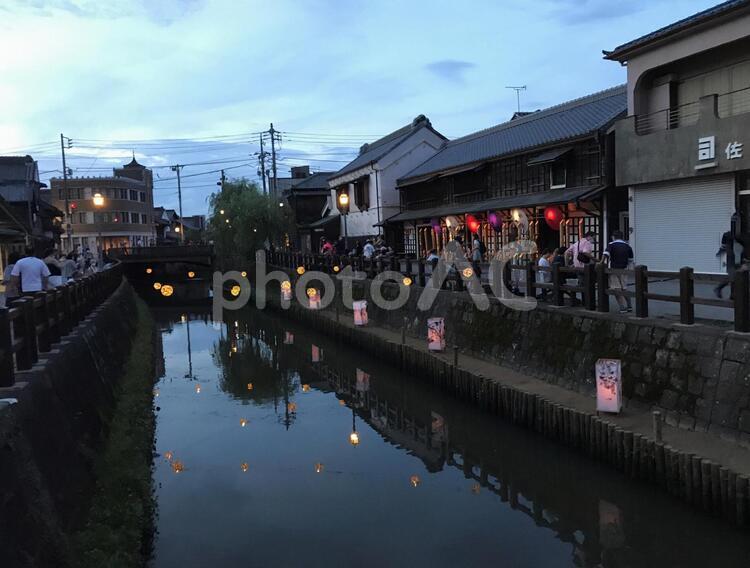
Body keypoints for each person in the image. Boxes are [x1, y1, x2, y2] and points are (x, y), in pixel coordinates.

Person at [601, 230, 633, 313]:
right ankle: (629, 306)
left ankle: (622, 307)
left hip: (614, 269)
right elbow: (630, 260)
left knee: (616, 289)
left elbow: (606, 254)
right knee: (624, 288)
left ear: (613, 237)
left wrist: (600, 263)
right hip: (624, 269)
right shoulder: (627, 246)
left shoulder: (611, 244)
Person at [565, 231, 596, 305]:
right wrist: (595, 259)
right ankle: (587, 302)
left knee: (582, 283)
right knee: (588, 284)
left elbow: (566, 253)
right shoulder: (587, 243)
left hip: (577, 267)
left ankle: (583, 301)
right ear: (590, 236)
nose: (593, 240)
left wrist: (567, 265)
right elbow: (585, 252)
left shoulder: (577, 243)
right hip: (584, 267)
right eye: (593, 238)